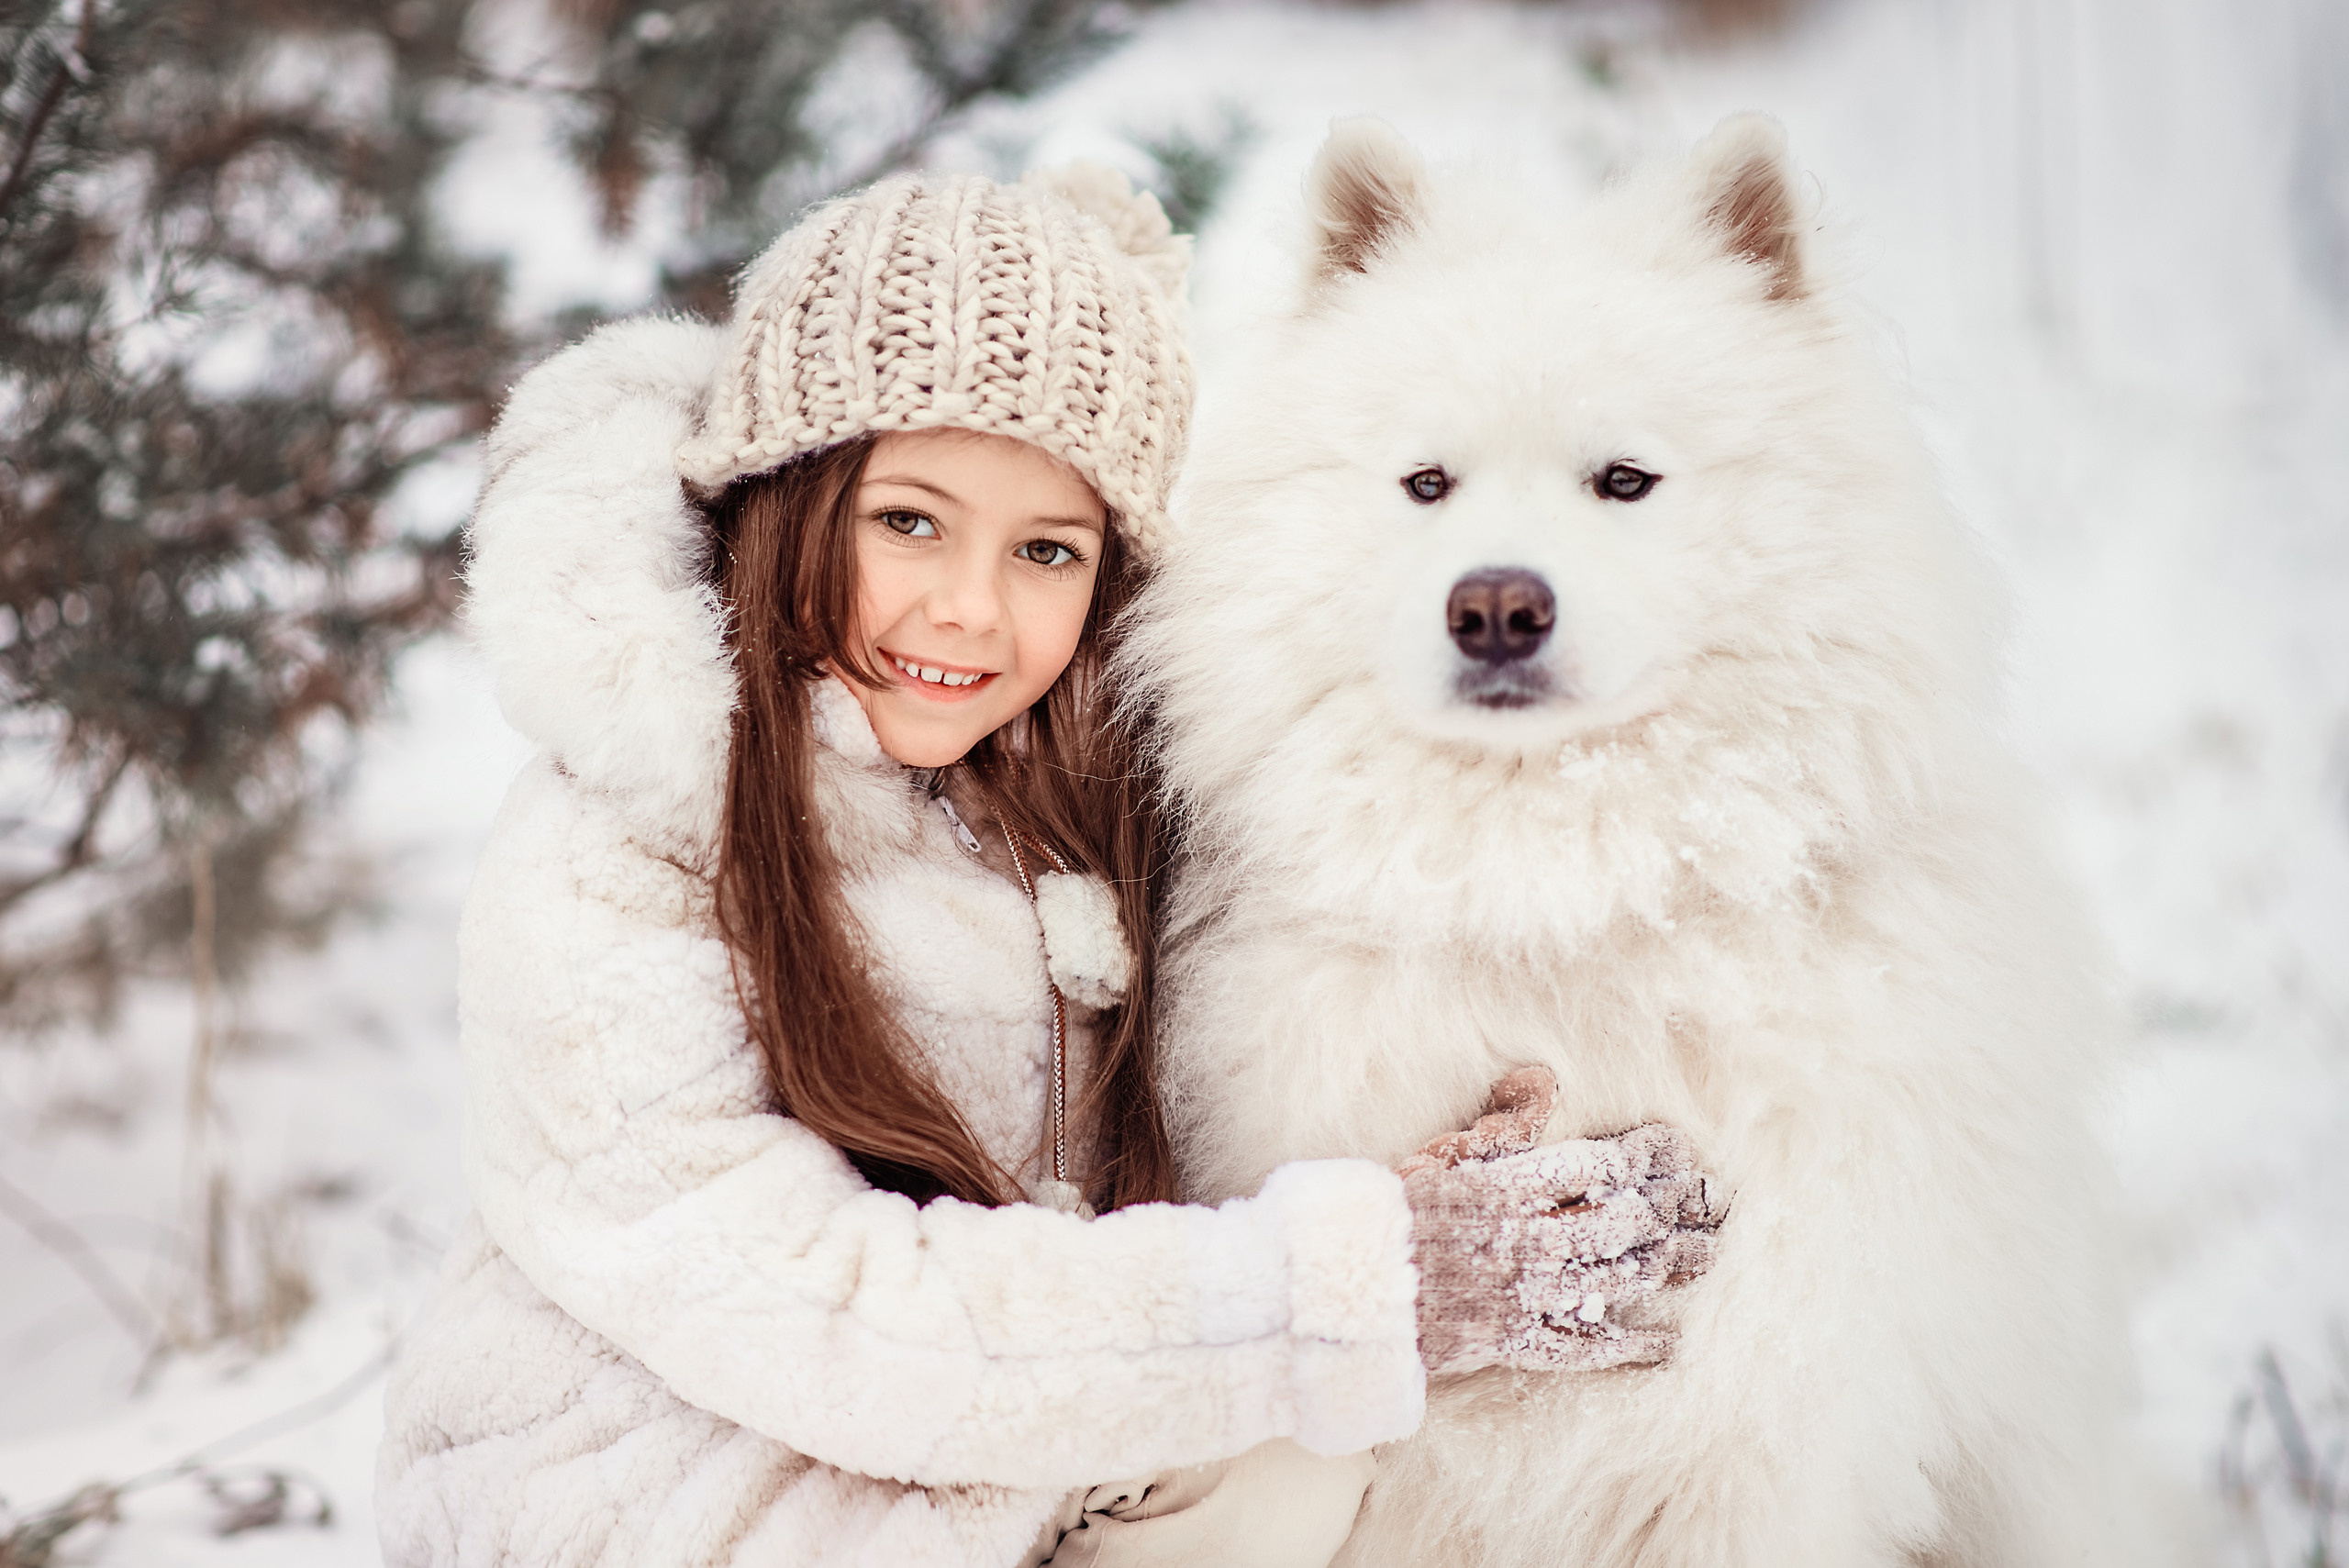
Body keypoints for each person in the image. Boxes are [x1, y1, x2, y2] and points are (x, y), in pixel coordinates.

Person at [375, 164, 1722, 1568]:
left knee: (1283, 1467)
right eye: (908, 519)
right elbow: (817, 1318)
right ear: (784, 495)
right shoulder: (611, 849)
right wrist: (1361, 1275)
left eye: (1047, 549)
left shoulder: (1045, 790)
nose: (970, 606)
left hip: (937, 1486)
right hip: (644, 1507)